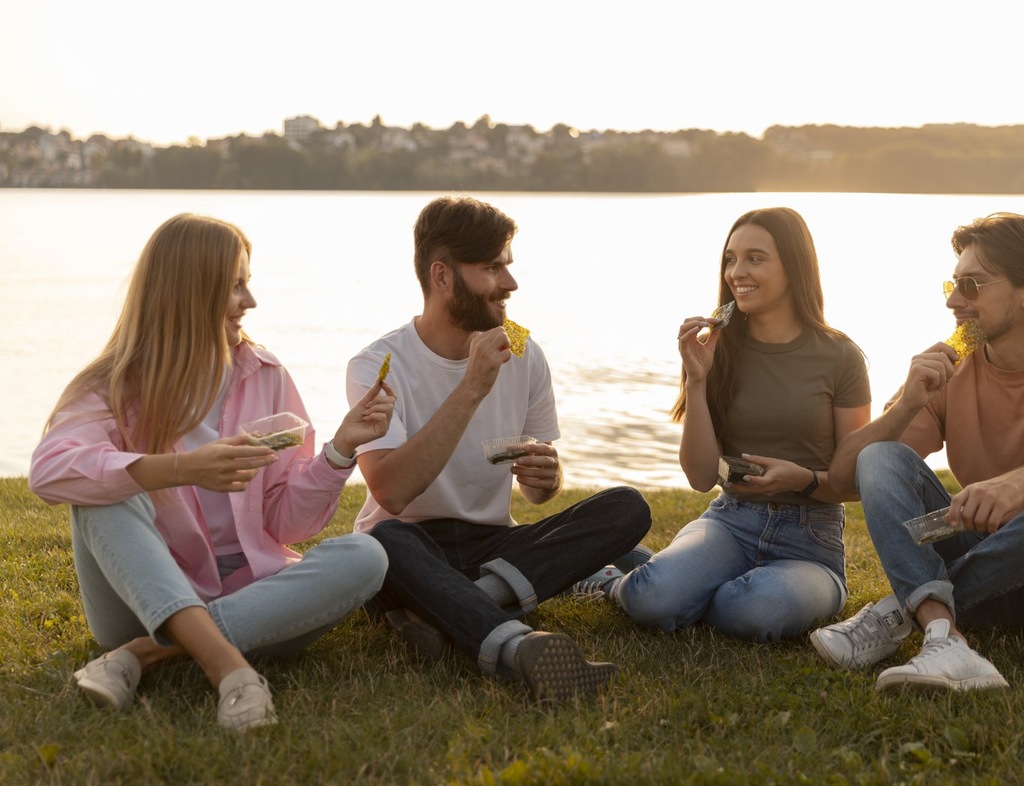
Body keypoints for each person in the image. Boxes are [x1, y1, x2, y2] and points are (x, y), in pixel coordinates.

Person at [29, 213, 395, 730]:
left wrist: (340, 449)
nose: (250, 300)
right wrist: (180, 469)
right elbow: (50, 470)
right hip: (141, 596)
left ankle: (143, 654)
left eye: (248, 283)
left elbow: (286, 524)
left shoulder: (266, 374)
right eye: (235, 285)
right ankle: (232, 671)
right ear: (189, 291)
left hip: (251, 592)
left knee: (365, 554)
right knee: (103, 491)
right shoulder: (112, 385)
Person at [809, 212, 1024, 692]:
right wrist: (906, 404)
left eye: (971, 285)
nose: (953, 301)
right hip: (995, 571)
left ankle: (905, 610)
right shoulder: (951, 373)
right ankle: (943, 632)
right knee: (879, 455)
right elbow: (846, 480)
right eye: (951, 285)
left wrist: (1022, 484)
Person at [346, 195, 652, 704]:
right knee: (382, 541)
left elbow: (536, 498)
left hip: (492, 545)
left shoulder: (522, 347)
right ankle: (517, 644)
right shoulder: (377, 364)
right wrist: (471, 387)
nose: (509, 283)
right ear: (441, 276)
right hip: (412, 548)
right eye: (492, 268)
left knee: (627, 507)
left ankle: (453, 611)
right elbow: (392, 493)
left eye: (507, 266)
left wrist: (545, 480)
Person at [572, 207, 871, 643]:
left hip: (810, 540)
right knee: (652, 601)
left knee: (754, 610)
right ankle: (614, 582)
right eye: (730, 259)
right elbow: (699, 476)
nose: (736, 272)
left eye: (754, 258)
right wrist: (696, 379)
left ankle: (677, 577)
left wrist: (804, 480)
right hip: (731, 522)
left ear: (794, 265)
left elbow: (853, 482)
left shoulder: (841, 356)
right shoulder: (716, 348)